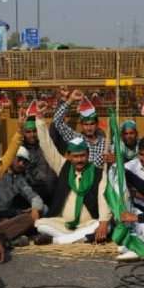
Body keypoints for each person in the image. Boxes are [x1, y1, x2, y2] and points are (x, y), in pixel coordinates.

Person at [34, 103, 111, 244]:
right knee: (40, 225)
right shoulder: (63, 166)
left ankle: (56, 241)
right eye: (76, 156)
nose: (79, 160)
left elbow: (104, 198)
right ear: (69, 156)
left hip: (88, 223)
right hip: (64, 223)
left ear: (88, 155)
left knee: (103, 226)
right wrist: (39, 120)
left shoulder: (98, 173)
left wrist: (104, 222)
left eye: (82, 156)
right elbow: (47, 145)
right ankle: (77, 239)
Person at [0, 146, 45, 245]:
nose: (21, 164)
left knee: (42, 209)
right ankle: (9, 239)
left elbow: (34, 197)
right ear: (11, 157)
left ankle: (12, 239)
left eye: (25, 162)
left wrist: (35, 209)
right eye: (19, 159)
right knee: (22, 220)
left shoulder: (19, 179)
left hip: (6, 215)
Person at [52, 88, 107, 167]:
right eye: (86, 124)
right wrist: (70, 100)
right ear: (81, 125)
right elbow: (57, 120)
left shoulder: (105, 143)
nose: (89, 128)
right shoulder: (75, 139)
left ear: (97, 124)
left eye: (91, 124)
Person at [22, 115, 58, 205]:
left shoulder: (45, 144)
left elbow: (55, 124)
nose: (32, 135)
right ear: (23, 133)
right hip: (34, 193)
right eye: (28, 132)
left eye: (35, 131)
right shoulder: (22, 151)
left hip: (52, 193)